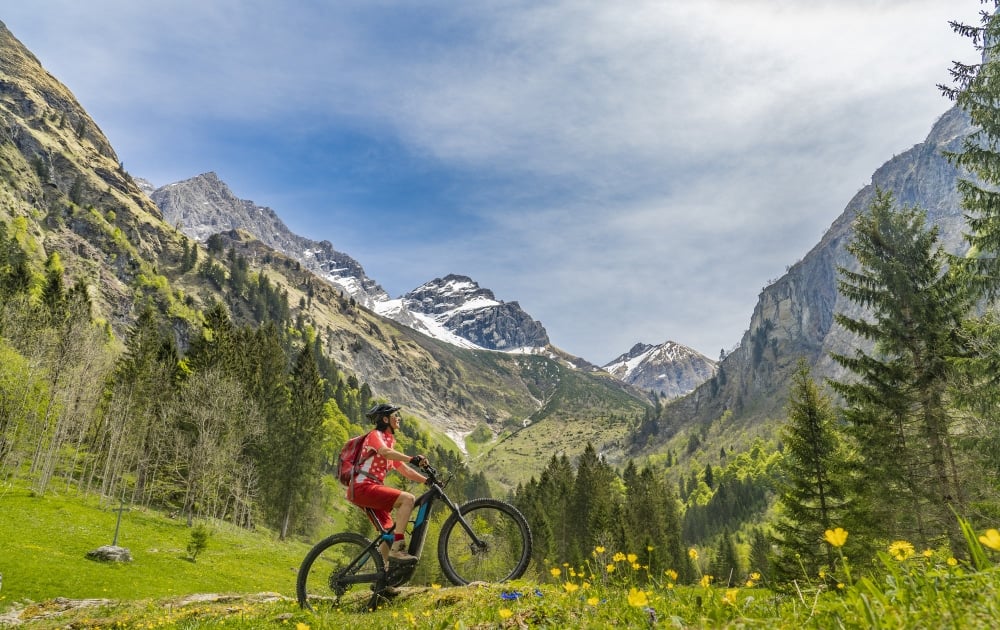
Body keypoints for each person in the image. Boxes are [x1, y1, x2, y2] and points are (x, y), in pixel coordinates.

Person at [348, 403, 429, 564]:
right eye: (395, 416)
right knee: (408, 499)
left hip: (369, 489)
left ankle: (382, 578)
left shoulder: (389, 441)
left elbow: (405, 470)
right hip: (362, 487)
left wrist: (427, 481)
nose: (398, 418)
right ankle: (398, 549)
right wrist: (412, 458)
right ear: (386, 419)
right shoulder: (375, 435)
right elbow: (385, 452)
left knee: (390, 533)